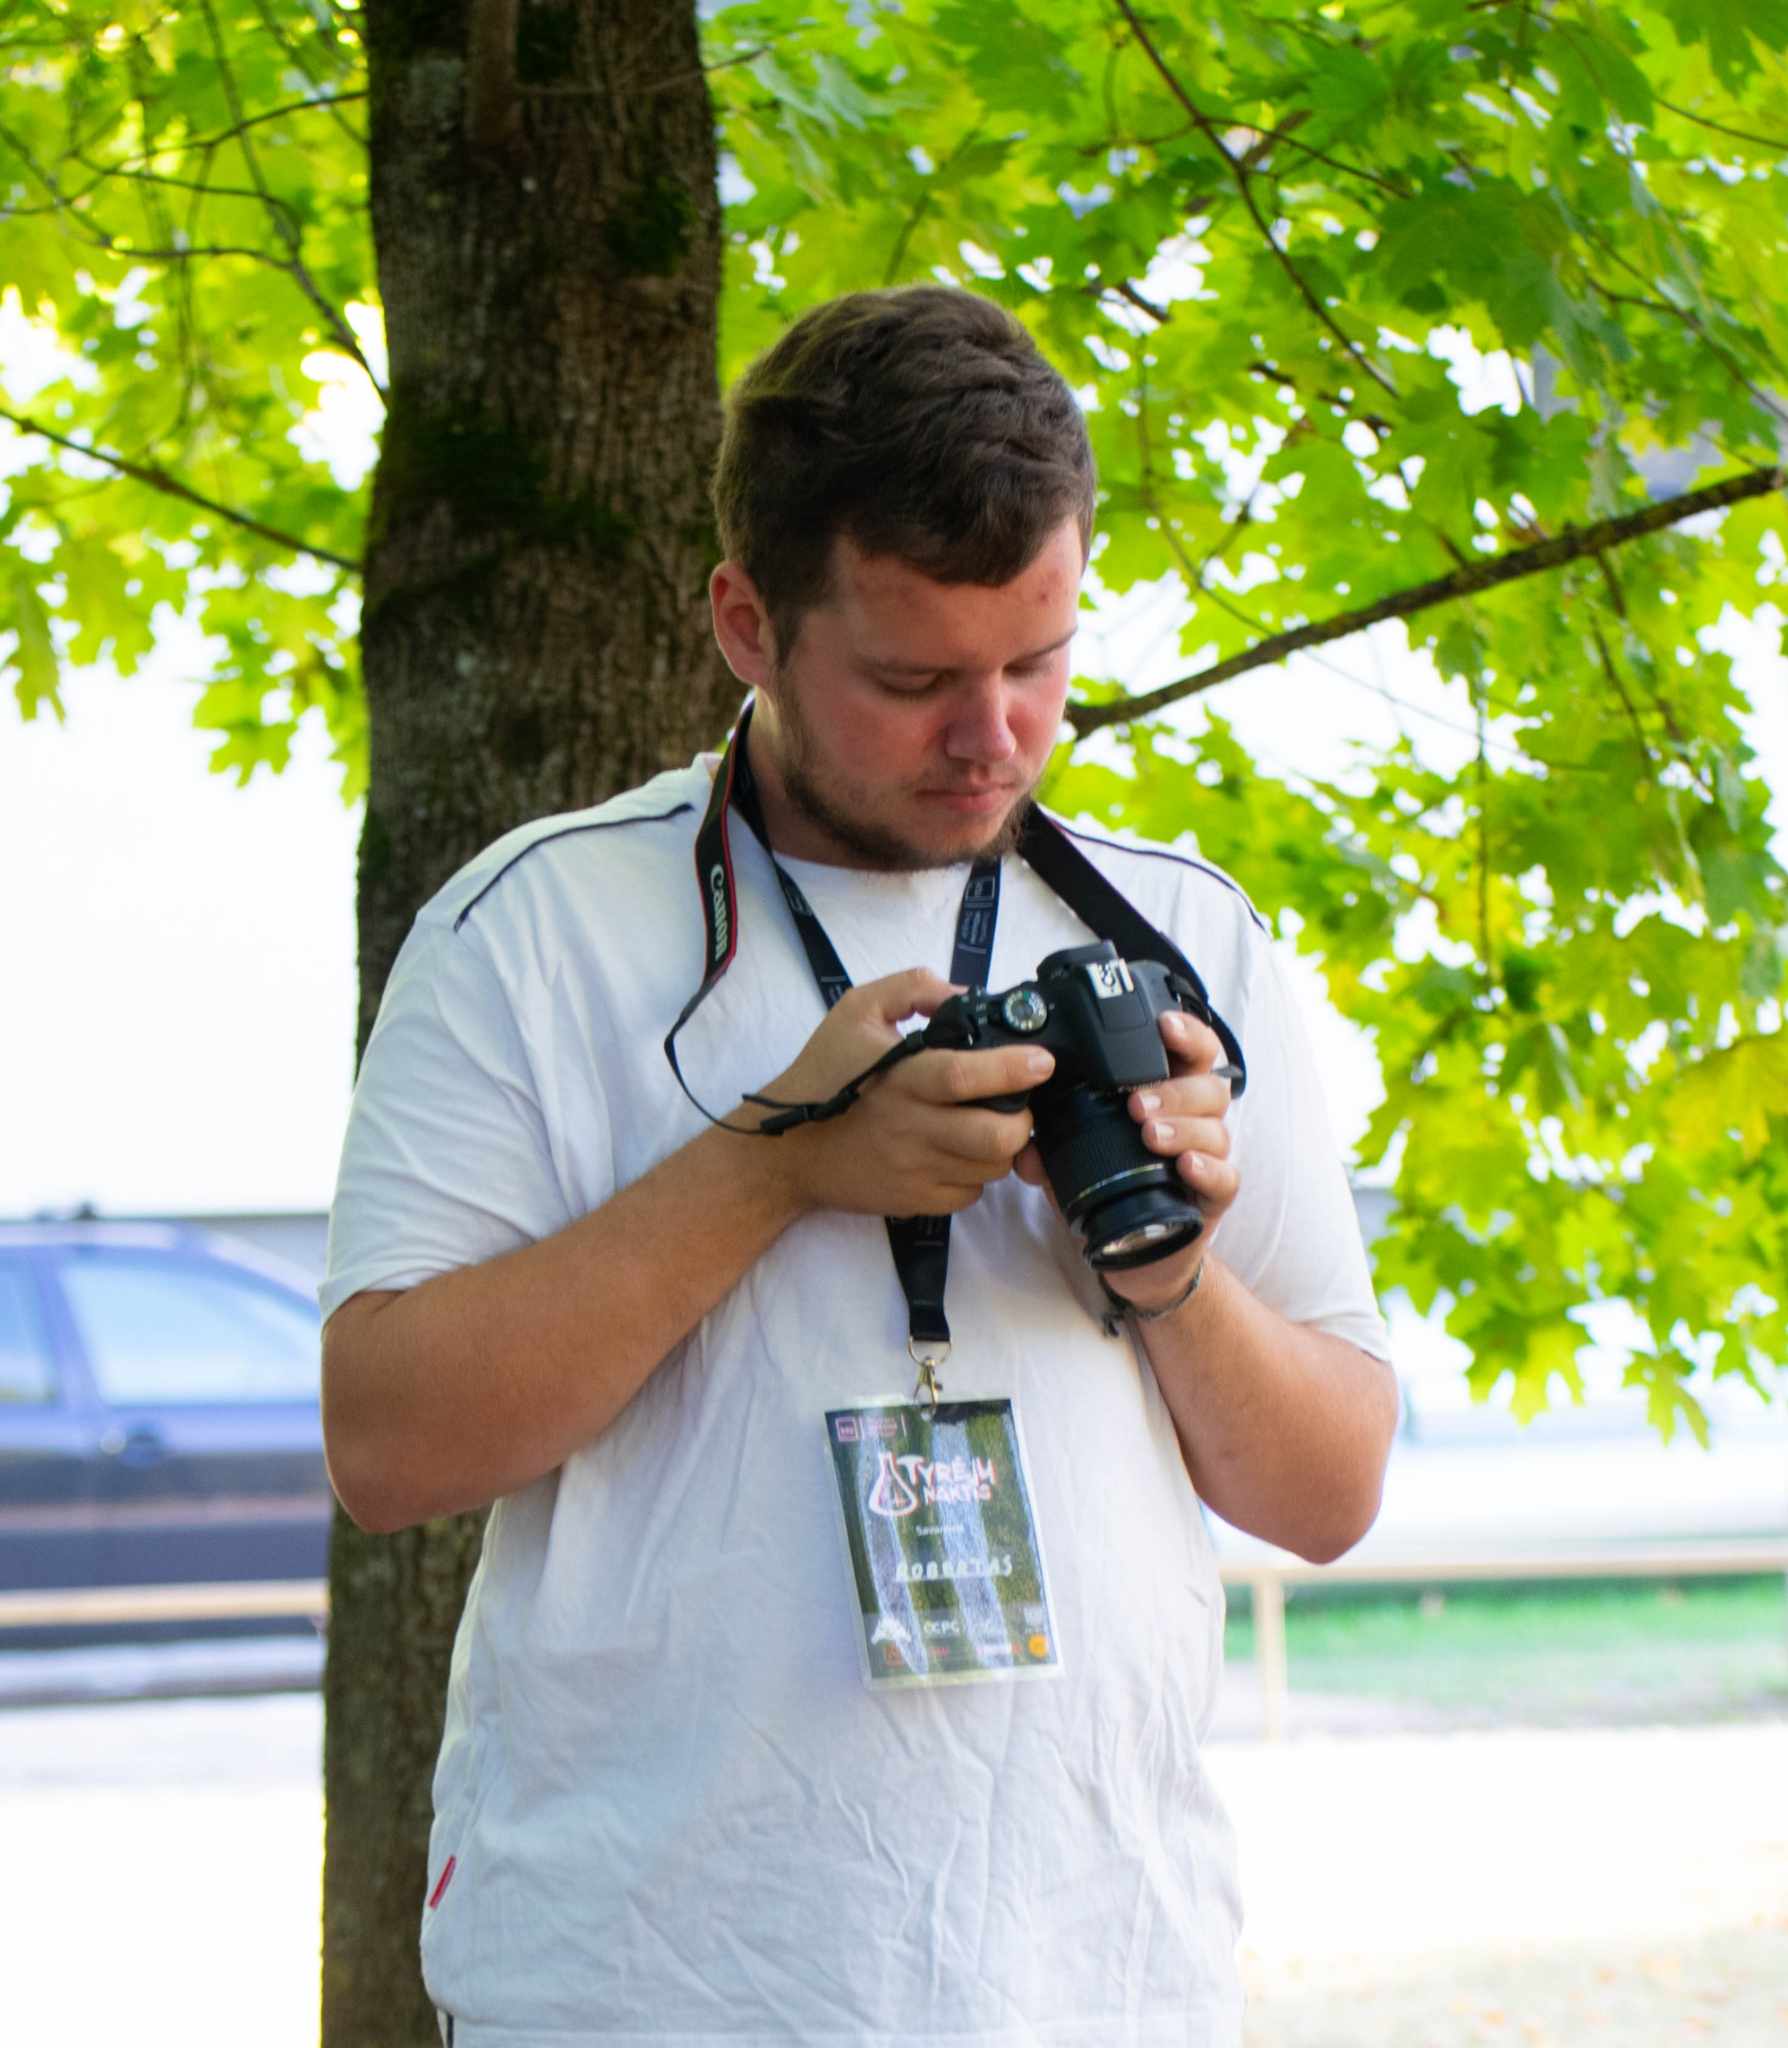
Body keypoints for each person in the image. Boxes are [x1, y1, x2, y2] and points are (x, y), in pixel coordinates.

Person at [321, 285, 1397, 2048]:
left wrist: (1171, 1279)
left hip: (1097, 1971)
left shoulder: (1177, 933)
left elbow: (1332, 1491)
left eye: (1039, 660)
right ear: (748, 621)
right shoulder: (537, 927)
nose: (995, 737)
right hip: (646, 1981)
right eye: (913, 681)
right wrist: (775, 1170)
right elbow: (389, 1443)